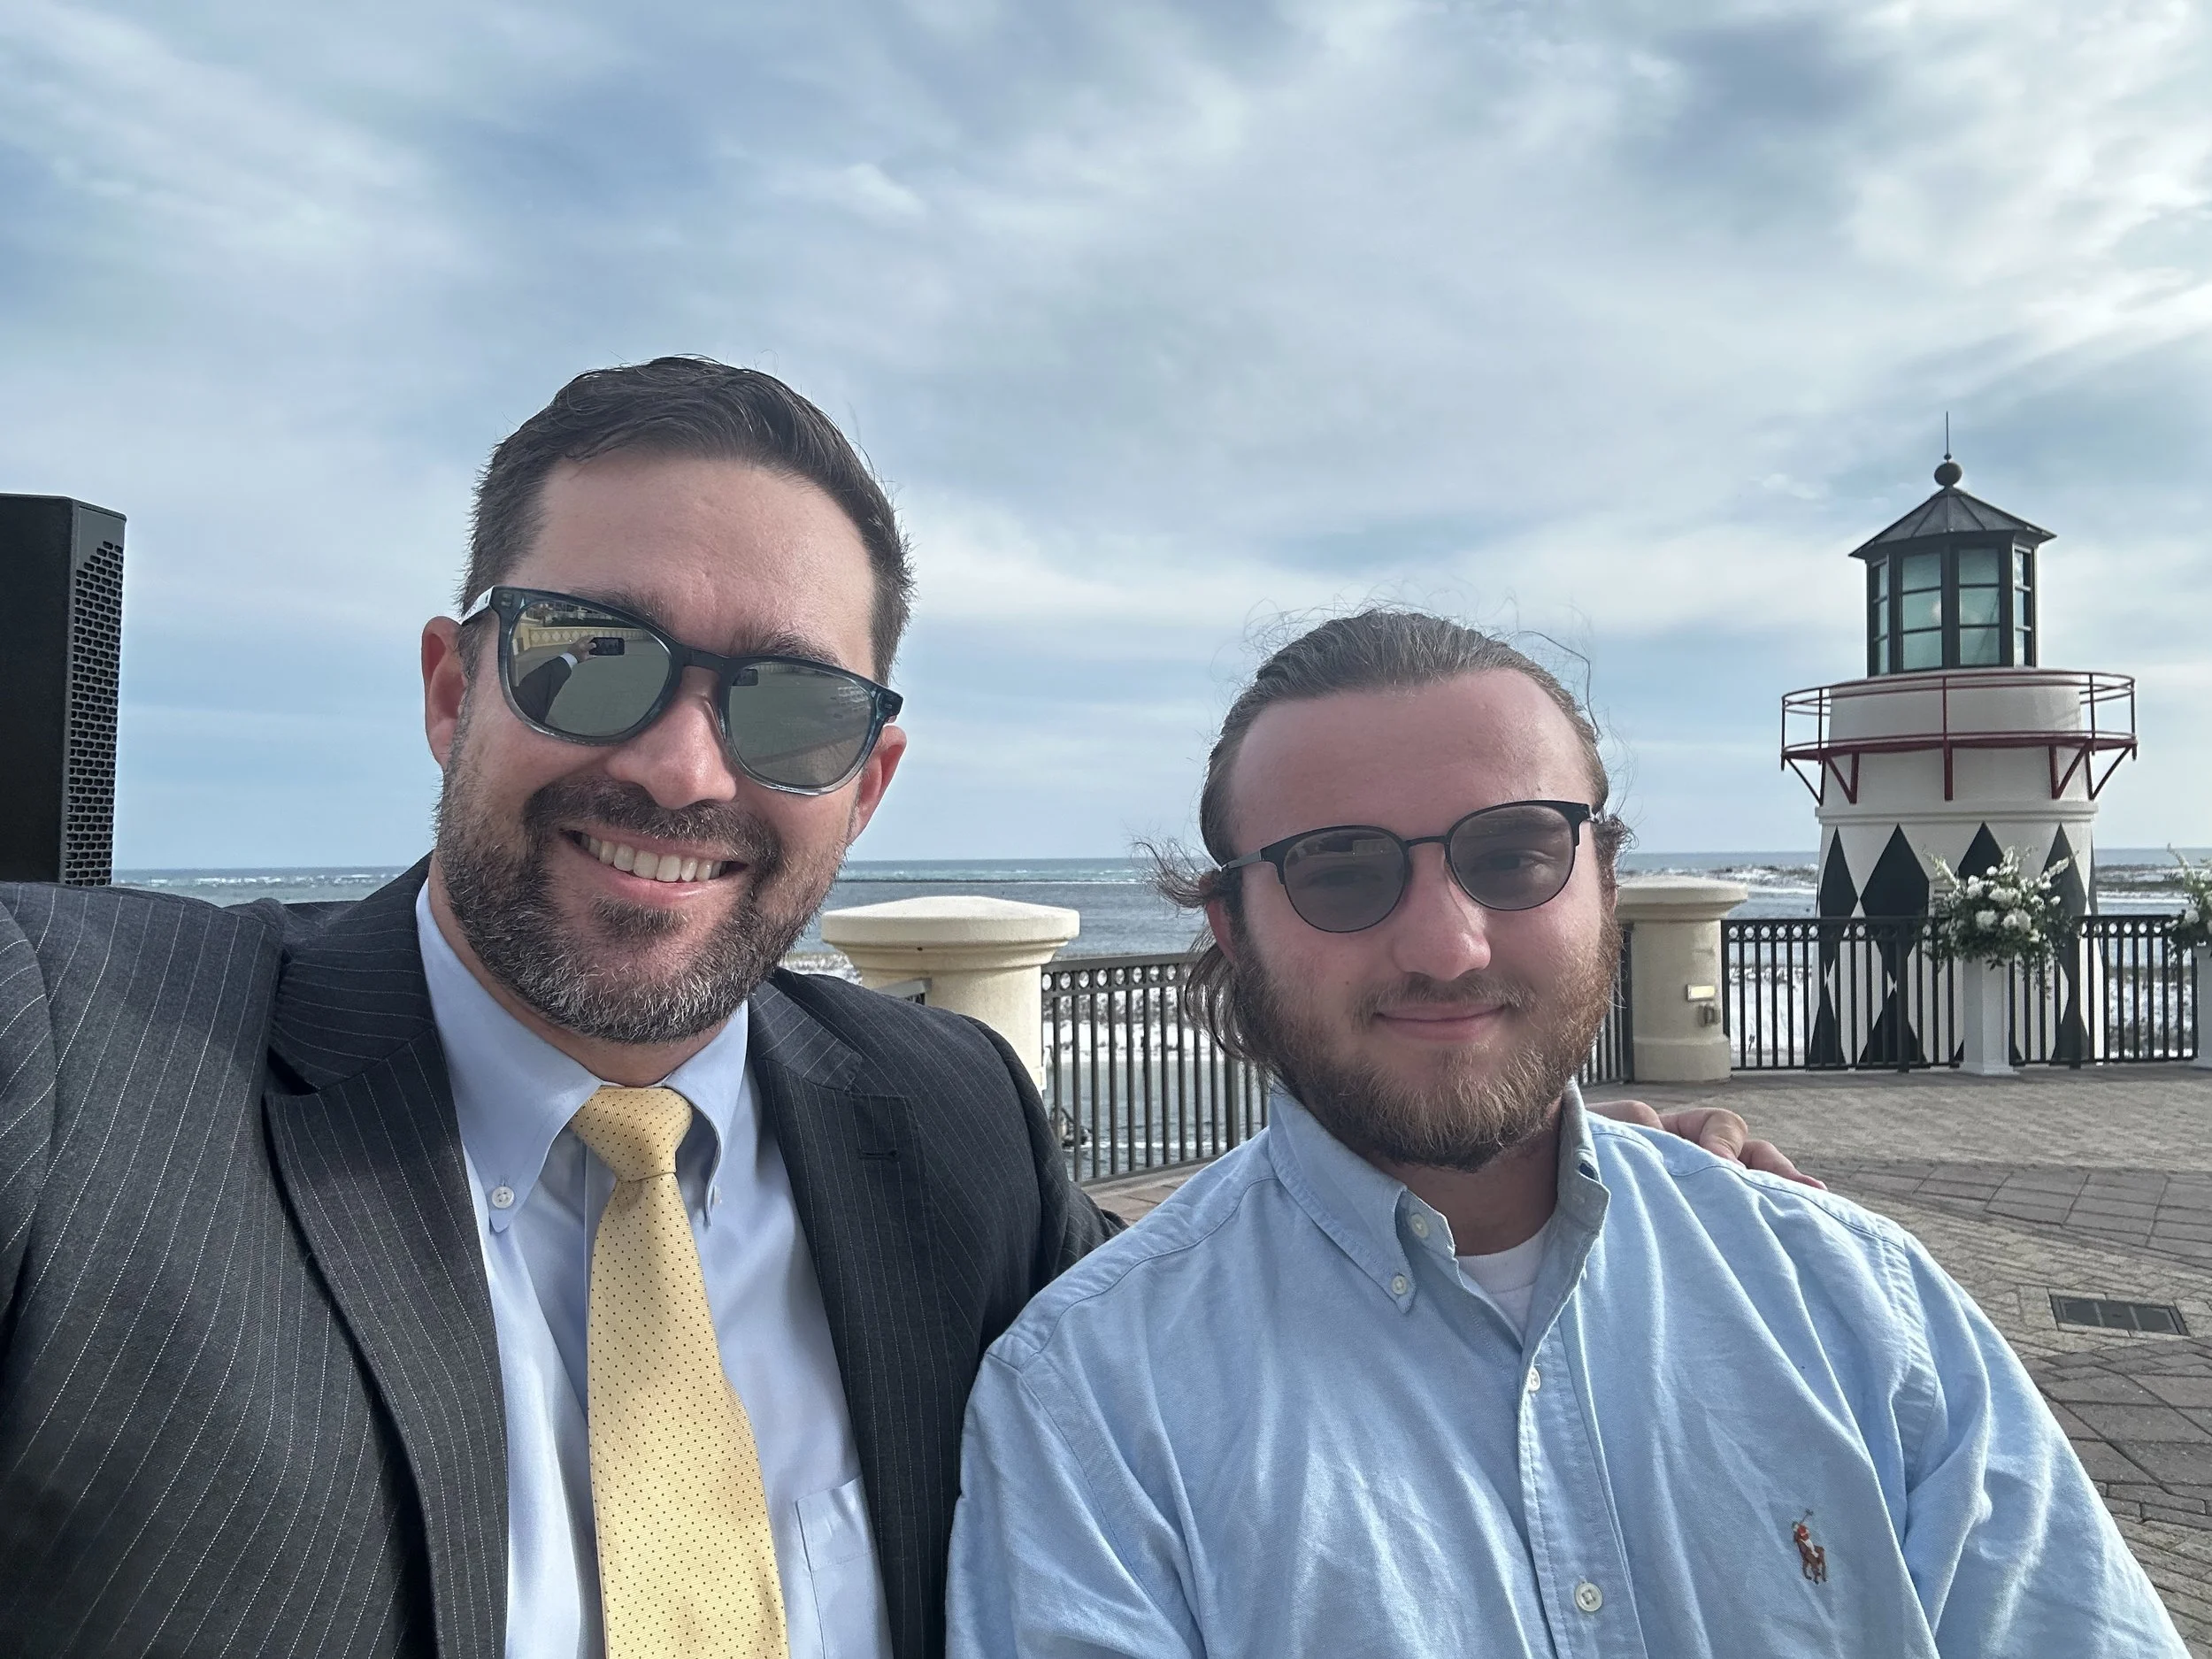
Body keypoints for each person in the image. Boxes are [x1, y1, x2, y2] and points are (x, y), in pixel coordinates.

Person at [0, 359, 1797, 1659]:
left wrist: (1533, 1187)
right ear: (452, 687)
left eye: (788, 706)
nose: (683, 765)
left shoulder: (945, 1121)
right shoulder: (74, 1058)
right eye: (590, 657)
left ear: (865, 787)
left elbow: (1241, 1313)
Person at [947, 611, 2185, 1657]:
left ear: (1604, 880)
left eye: (1515, 854)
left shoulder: (1857, 1302)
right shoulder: (1095, 1397)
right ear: (1231, 927)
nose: (1448, 947)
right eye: (1338, 871)